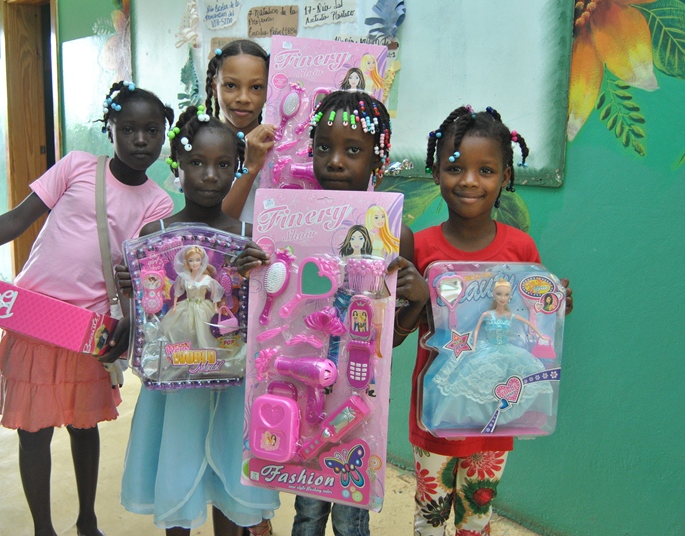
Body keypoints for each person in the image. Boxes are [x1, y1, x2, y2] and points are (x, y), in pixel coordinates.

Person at [0, 81, 175, 536]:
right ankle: (42, 530)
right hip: (32, 317)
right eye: (128, 129)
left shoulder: (158, 202)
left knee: (83, 428)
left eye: (151, 131)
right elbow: (15, 221)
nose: (140, 141)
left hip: (87, 329)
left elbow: (142, 272)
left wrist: (130, 320)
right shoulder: (76, 166)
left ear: (163, 135)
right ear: (109, 129)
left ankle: (87, 521)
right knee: (33, 433)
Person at [236, 90, 429, 536]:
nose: (336, 161)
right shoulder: (284, 221)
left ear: (378, 159)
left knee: (348, 513)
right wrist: (252, 268)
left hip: (356, 397)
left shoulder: (394, 233)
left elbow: (389, 340)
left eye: (353, 150)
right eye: (324, 147)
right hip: (303, 387)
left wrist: (416, 302)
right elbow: (270, 305)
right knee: (306, 507)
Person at [394, 105, 574, 536]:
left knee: (477, 515)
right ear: (435, 172)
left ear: (505, 177)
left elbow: (532, 323)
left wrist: (554, 306)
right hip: (437, 410)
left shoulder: (521, 249)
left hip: (497, 412)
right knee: (430, 515)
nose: (470, 181)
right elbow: (399, 333)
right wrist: (417, 299)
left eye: (486, 170)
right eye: (455, 168)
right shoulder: (421, 247)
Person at [119, 105, 280, 536]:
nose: (210, 175)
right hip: (176, 382)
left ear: (237, 167)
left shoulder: (251, 239)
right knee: (178, 463)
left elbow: (267, 314)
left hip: (233, 383)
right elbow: (150, 311)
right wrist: (132, 284)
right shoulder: (154, 236)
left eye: (223, 164)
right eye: (197, 163)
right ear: (178, 165)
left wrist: (260, 274)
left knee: (229, 474)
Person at [423, 279, 554, 429]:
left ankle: (501, 414)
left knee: (516, 374)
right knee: (478, 379)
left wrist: (541, 335)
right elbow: (476, 330)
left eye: (506, 294)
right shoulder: (487, 314)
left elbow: (528, 323)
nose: (502, 297)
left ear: (510, 296)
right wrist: (472, 345)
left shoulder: (510, 315)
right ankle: (476, 415)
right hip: (487, 349)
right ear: (494, 294)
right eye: (499, 294)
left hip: (506, 350)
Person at [204, 39, 275, 222]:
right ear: (215, 87)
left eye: (256, 87)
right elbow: (215, 225)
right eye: (231, 85)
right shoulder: (201, 146)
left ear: (269, 91)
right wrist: (250, 168)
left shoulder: (279, 146)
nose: (243, 98)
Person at [158, 245, 223, 349]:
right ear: (187, 262)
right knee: (182, 329)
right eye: (191, 260)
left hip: (203, 307)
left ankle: (204, 352)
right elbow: (177, 292)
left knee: (203, 330)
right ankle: (184, 350)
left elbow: (215, 292)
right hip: (186, 306)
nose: (194, 263)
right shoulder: (184, 277)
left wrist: (215, 307)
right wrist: (174, 306)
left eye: (198, 260)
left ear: (202, 261)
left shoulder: (207, 278)